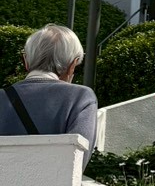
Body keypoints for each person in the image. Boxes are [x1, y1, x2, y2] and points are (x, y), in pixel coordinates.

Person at [0, 23, 98, 167]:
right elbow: (76, 163)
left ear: (25, 61)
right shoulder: (81, 98)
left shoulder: (2, 97)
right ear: (72, 65)